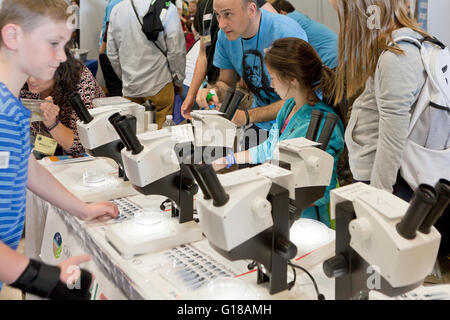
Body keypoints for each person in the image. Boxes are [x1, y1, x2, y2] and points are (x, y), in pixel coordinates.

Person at [0, 0, 118, 298]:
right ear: (13, 37)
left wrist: (83, 209)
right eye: (53, 43)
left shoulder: (11, 106)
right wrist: (44, 278)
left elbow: (26, 168)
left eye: (65, 45)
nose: (61, 56)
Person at [213, 38, 344, 227]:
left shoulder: (323, 124)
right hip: (280, 209)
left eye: (273, 78)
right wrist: (228, 159)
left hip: (307, 221)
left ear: (292, 78)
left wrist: (266, 191)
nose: (271, 85)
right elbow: (271, 148)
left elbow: (323, 190)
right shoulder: (288, 107)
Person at [330, 0, 431, 199]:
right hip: (374, 174)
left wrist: (379, 196)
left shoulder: (396, 57)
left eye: (345, 17)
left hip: (383, 182)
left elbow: (392, 137)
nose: (346, 26)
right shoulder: (389, 50)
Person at [196, 0, 308, 151]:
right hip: (260, 122)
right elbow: (225, 82)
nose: (221, 24)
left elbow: (297, 100)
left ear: (251, 9)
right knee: (246, 170)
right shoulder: (225, 36)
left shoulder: (285, 32)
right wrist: (213, 92)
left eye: (228, 14)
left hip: (295, 124)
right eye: (217, 15)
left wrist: (247, 116)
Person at [181, 0, 277, 120]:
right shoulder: (205, 7)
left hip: (244, 87)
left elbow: (274, 29)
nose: (222, 23)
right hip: (217, 84)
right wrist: (191, 94)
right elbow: (203, 52)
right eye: (218, 15)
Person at [107, 0, 186, 129]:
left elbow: (111, 52)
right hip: (160, 83)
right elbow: (176, 51)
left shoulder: (117, 10)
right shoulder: (167, 8)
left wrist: (124, 76)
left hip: (131, 86)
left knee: (133, 135)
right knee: (161, 135)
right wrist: (178, 79)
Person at [20, 46, 105, 158]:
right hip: (43, 142)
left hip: (90, 149)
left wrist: (52, 123)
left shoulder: (80, 81)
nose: (31, 80)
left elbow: (81, 146)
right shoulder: (21, 80)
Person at [271, 0, 338, 69]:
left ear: (282, 13)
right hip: (339, 54)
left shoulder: (290, 19)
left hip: (331, 59)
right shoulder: (300, 18)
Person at [98, 0, 123, 97]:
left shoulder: (113, 3)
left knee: (114, 89)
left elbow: (109, 26)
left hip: (109, 52)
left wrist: (102, 50)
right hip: (119, 51)